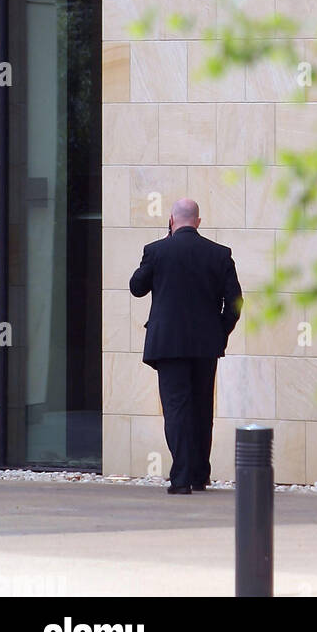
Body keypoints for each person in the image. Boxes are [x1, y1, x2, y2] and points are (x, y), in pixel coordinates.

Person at [129, 199, 243, 495]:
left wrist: (163, 243)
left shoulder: (156, 251)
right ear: (199, 221)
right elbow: (235, 303)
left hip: (168, 344)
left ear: (171, 220)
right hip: (205, 344)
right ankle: (198, 474)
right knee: (202, 408)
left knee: (177, 408)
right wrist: (220, 331)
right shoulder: (219, 254)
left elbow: (136, 287)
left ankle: (181, 477)